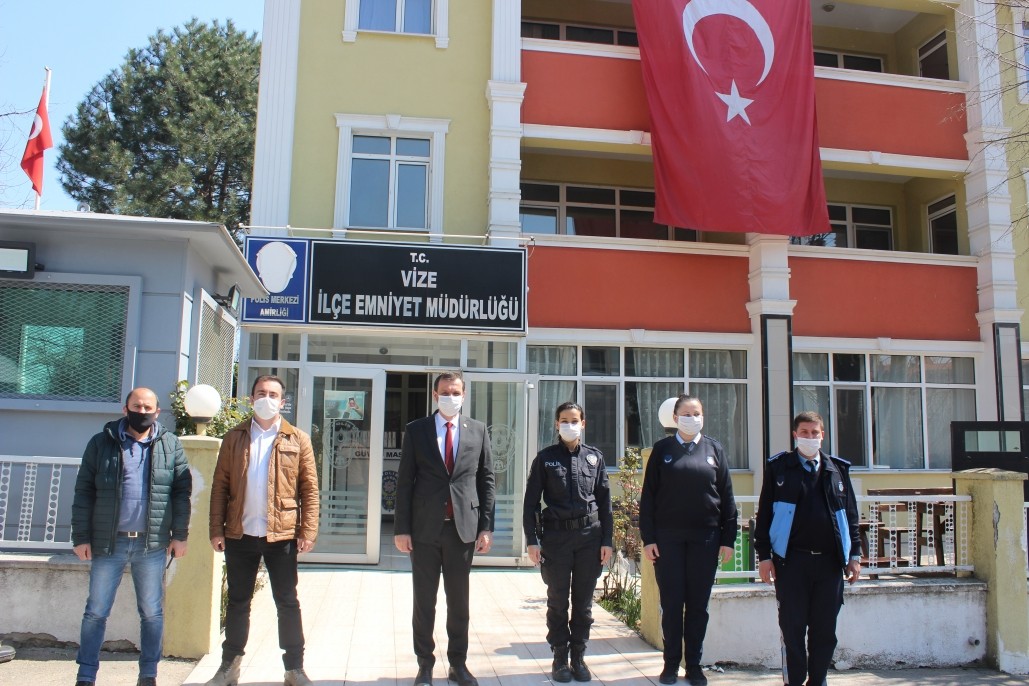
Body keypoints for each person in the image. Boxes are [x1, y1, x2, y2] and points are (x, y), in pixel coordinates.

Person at [71, 387, 192, 686]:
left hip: (151, 544)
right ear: (125, 409)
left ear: (157, 411)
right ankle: (85, 676)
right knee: (96, 612)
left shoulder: (170, 445)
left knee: (151, 613)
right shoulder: (101, 443)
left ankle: (148, 675)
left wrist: (180, 535)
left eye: (148, 407)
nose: (142, 411)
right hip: (108, 542)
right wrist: (81, 537)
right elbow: (84, 491)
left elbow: (181, 493)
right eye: (137, 406)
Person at [206, 375, 320, 686]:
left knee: (287, 602)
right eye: (261, 393)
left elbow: (309, 489)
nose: (266, 399)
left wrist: (307, 531)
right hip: (239, 533)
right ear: (252, 397)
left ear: (282, 401)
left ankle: (294, 669)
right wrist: (216, 528)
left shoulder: (297, 439)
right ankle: (229, 667)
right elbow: (220, 486)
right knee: (238, 602)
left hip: (281, 535)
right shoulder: (234, 438)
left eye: (272, 394)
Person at [394, 371, 496, 686]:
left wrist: (486, 527)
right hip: (424, 530)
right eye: (445, 392)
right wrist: (401, 528)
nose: (450, 397)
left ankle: (458, 665)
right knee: (424, 602)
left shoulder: (478, 430)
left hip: (462, 530)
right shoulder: (417, 430)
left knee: (459, 603)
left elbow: (486, 480)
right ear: (435, 395)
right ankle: (424, 665)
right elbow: (405, 480)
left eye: (456, 392)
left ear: (464, 395)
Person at [753, 411, 862, 686]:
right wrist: (764, 556)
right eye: (804, 432)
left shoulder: (837, 470)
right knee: (792, 629)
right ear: (795, 435)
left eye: (815, 432)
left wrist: (855, 556)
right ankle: (794, 680)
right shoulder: (779, 468)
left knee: (825, 631)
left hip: (829, 564)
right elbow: (764, 516)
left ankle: (818, 679)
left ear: (823, 435)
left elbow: (850, 516)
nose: (810, 437)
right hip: (792, 563)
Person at [639, 394, 737, 686]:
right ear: (675, 418)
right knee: (672, 604)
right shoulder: (663, 450)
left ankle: (694, 665)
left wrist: (728, 539)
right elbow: (649, 497)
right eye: (686, 414)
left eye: (697, 413)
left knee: (697, 606)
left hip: (705, 539)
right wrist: (649, 539)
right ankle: (670, 664)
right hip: (668, 540)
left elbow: (727, 497)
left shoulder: (714, 449)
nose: (692, 418)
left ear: (702, 416)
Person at [523, 402, 613, 683]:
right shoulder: (545, 459)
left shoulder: (595, 458)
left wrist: (607, 541)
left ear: (583, 423)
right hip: (556, 539)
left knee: (583, 603)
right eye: (564, 420)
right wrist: (532, 540)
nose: (569, 425)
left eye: (574, 420)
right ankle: (560, 657)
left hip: (589, 538)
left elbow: (605, 504)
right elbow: (530, 503)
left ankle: (579, 656)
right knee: (558, 601)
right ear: (556, 424)